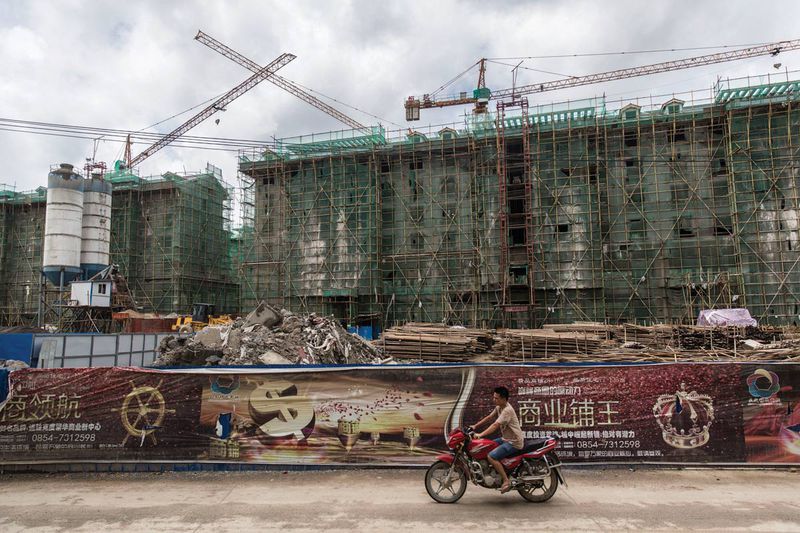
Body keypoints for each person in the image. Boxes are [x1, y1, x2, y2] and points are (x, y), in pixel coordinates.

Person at [471, 386, 525, 493]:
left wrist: (480, 435)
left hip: (514, 442)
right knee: (487, 446)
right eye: (494, 397)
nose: (494, 400)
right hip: (506, 439)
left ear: (503, 399)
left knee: (491, 456)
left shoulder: (507, 410)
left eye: (496, 398)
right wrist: (475, 426)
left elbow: (495, 425)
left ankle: (506, 480)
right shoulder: (499, 407)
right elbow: (489, 417)